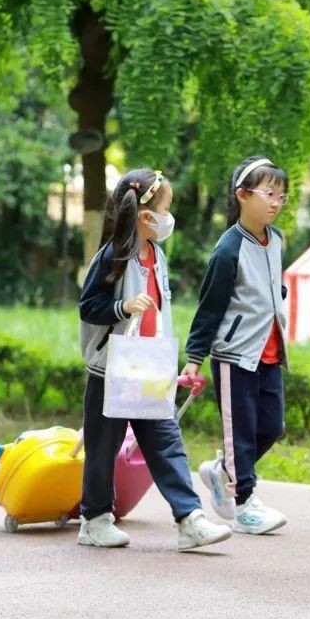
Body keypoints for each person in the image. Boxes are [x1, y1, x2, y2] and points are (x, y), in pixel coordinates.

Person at [78, 168, 230, 551]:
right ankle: (94, 520)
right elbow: (88, 306)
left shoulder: (157, 256)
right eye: (166, 209)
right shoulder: (113, 254)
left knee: (167, 442)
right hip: (112, 368)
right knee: (103, 448)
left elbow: (158, 313)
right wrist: (122, 306)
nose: (169, 219)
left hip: (149, 367)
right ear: (146, 216)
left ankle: (190, 519)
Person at [183, 156, 289, 535]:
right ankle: (243, 502)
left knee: (272, 427)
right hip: (234, 355)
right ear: (243, 195)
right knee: (240, 432)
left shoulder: (276, 240)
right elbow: (210, 304)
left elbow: (273, 285)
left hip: (270, 353)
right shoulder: (228, 248)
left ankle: (224, 470)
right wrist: (195, 357)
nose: (277, 202)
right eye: (270, 193)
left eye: (282, 196)